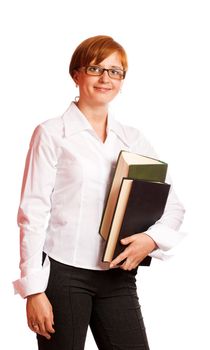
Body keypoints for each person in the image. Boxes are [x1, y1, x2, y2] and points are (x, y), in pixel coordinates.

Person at [13, 35, 185, 350]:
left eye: (115, 71)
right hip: (63, 276)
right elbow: (32, 214)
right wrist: (34, 291)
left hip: (117, 276)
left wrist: (150, 239)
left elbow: (172, 207)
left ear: (122, 80)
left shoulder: (133, 140)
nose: (105, 78)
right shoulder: (52, 133)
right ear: (76, 74)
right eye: (96, 68)